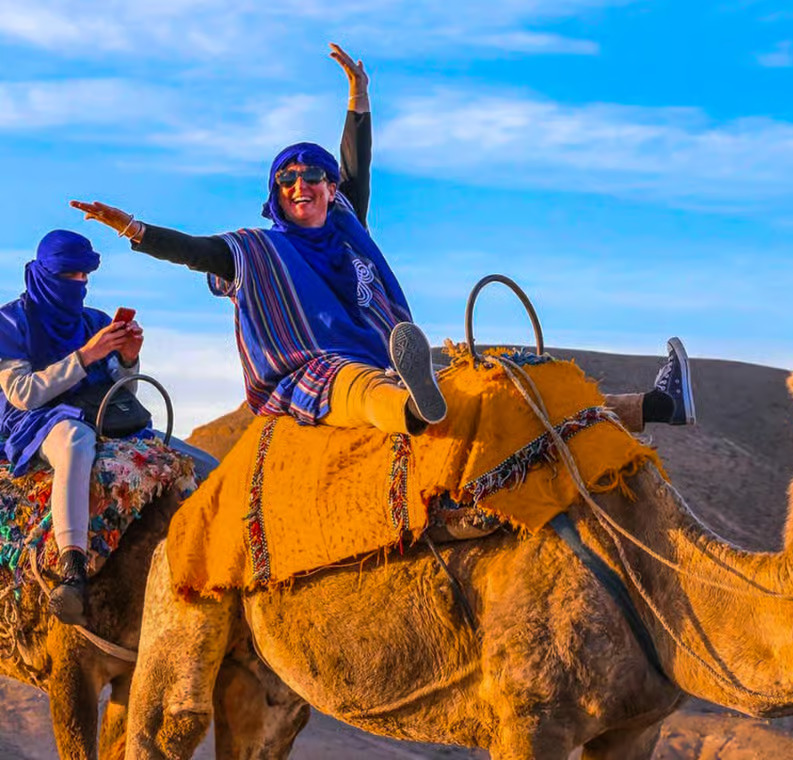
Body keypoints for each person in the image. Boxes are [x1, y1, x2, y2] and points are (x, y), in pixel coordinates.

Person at [72, 43, 695, 439]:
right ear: (275, 193)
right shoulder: (256, 252)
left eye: (313, 175)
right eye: (287, 179)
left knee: (505, 389)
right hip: (314, 371)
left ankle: (655, 407)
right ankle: (410, 413)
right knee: (352, 384)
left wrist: (358, 97)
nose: (302, 185)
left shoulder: (347, 222)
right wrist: (134, 229)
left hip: (392, 354)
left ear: (327, 185)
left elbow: (357, 165)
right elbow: (195, 251)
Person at [0, 231, 217, 625]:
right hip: (41, 419)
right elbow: (23, 393)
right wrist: (87, 355)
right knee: (75, 441)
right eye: (70, 276)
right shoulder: (10, 322)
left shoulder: (94, 321)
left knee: (208, 467)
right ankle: (73, 567)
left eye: (85, 276)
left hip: (103, 413)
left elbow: (123, 390)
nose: (79, 284)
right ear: (45, 273)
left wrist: (128, 359)